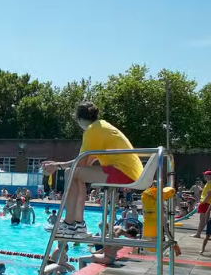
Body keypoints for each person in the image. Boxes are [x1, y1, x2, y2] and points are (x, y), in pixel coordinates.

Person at [42, 102, 142, 238]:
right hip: (133, 173)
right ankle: (78, 225)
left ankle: (69, 224)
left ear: (78, 120)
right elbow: (83, 164)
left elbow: (79, 162)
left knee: (71, 173)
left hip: (124, 172)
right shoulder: (102, 127)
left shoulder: (92, 131)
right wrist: (57, 165)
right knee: (74, 173)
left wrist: (56, 165)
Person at [193, 171, 211, 238]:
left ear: (210, 176)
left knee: (203, 220)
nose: (204, 176)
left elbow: (209, 194)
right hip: (206, 203)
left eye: (206, 175)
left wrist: (203, 202)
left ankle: (198, 234)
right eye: (204, 175)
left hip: (205, 203)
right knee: (204, 219)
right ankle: (200, 234)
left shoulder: (210, 183)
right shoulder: (208, 183)